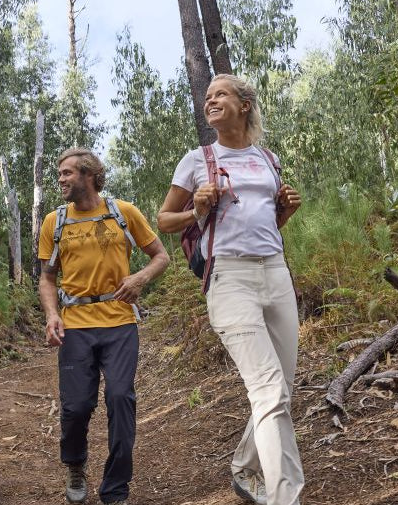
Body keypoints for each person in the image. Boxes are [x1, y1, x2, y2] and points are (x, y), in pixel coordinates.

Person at [156, 74, 304, 505]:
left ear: (244, 104)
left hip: (275, 272)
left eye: (220, 94)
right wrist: (196, 209)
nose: (210, 100)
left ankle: (244, 467)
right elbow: (164, 220)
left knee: (283, 387)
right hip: (229, 279)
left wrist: (286, 211)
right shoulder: (197, 159)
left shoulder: (267, 158)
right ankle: (285, 497)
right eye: (207, 96)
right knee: (268, 389)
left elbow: (263, 226)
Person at [38, 148, 170, 505]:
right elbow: (47, 278)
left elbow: (161, 256)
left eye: (67, 173)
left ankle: (115, 489)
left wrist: (140, 278)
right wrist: (52, 315)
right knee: (77, 406)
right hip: (75, 325)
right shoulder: (55, 221)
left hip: (119, 321)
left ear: (89, 174)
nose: (61, 179)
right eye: (59, 173)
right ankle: (76, 465)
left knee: (120, 398)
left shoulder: (122, 212)